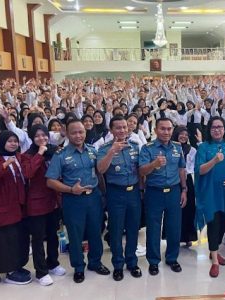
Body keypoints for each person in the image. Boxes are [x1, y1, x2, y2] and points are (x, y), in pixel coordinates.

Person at [46, 119, 110, 283]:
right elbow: (50, 181)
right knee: (75, 235)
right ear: (67, 133)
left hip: (94, 198)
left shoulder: (92, 151)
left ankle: (95, 262)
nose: (78, 135)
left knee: (96, 232)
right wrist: (70, 189)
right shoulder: (61, 155)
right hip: (73, 200)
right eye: (74, 132)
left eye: (81, 132)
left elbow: (100, 172)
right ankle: (79, 267)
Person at [195, 116, 225, 278]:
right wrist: (214, 161)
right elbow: (200, 170)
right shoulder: (203, 148)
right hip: (211, 193)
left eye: (220, 127)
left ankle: (214, 250)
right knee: (213, 222)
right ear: (209, 130)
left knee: (223, 222)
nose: (217, 130)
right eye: (213, 127)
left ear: (224, 129)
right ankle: (215, 261)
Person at [0, 131, 32, 285]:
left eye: (15, 141)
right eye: (9, 141)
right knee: (6, 240)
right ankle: (10, 271)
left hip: (20, 206)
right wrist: (3, 166)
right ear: (2, 142)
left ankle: (18, 266)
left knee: (19, 239)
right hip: (4, 207)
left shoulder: (19, 157)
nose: (13, 144)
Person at [139, 117, 187, 276]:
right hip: (154, 192)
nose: (166, 132)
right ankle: (153, 261)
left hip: (174, 191)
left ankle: (172, 258)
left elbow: (181, 169)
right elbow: (142, 172)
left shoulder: (177, 147)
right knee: (153, 228)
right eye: (162, 128)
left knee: (174, 227)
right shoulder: (147, 148)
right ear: (155, 130)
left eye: (169, 129)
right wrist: (154, 164)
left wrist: (184, 189)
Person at [97, 115, 142, 281]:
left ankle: (132, 261)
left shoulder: (136, 146)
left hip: (134, 192)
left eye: (124, 127)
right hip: (116, 192)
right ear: (111, 130)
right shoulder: (104, 148)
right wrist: (111, 152)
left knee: (133, 228)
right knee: (116, 230)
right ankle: (117, 264)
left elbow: (140, 170)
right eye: (118, 128)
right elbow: (101, 170)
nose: (122, 130)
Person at [22, 124, 66, 286]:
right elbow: (28, 173)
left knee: (53, 234)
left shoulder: (54, 150)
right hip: (36, 201)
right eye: (37, 136)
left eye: (44, 135)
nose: (42, 139)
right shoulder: (28, 155)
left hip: (52, 199)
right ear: (32, 138)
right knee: (38, 238)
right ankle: (41, 272)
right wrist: (39, 154)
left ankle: (53, 263)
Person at [172, 126, 198, 246]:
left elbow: (193, 166)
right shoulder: (171, 147)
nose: (184, 137)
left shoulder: (192, 149)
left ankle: (187, 236)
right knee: (174, 210)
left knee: (189, 209)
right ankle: (174, 236)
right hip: (173, 180)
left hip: (187, 180)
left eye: (186, 135)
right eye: (181, 134)